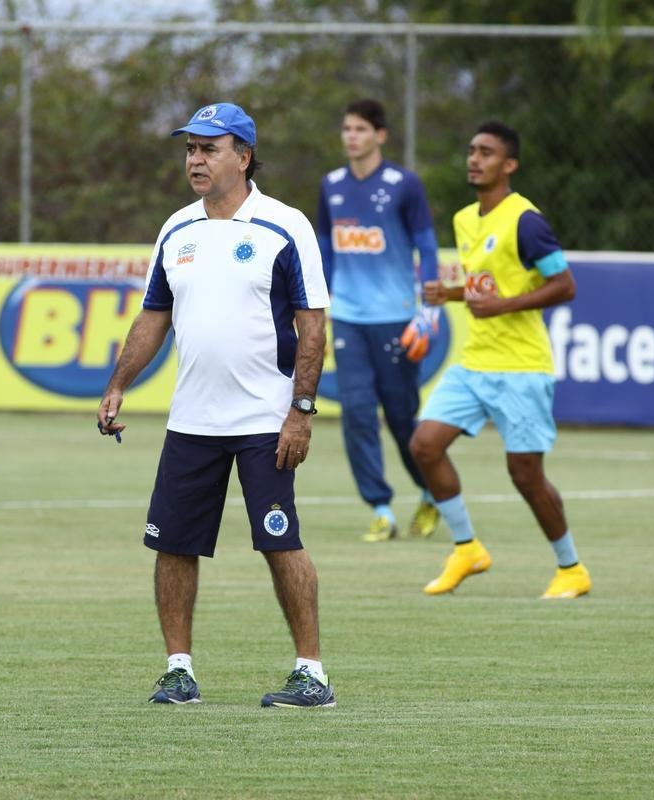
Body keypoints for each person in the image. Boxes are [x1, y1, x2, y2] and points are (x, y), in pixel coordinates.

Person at [97, 102, 336, 707]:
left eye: (209, 149)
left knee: (280, 542)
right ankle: (179, 669)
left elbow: (313, 328)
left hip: (265, 419)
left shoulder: (286, 227)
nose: (195, 160)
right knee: (172, 544)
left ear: (244, 157)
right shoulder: (177, 229)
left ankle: (312, 673)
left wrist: (300, 411)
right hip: (192, 420)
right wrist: (119, 382)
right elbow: (156, 317)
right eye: (190, 150)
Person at [409, 120, 592, 599]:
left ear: (508, 165)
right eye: (471, 150)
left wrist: (503, 306)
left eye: (486, 152)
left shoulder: (525, 221)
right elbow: (485, 285)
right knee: (425, 445)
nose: (474, 158)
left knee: (525, 475)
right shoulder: (467, 219)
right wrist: (450, 292)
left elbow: (564, 285)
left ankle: (571, 567)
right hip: (475, 362)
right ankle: (467, 547)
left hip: (521, 367)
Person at [316, 98, 443, 543]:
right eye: (347, 128)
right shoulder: (330, 185)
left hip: (396, 319)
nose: (352, 136)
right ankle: (381, 508)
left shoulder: (404, 185)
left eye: (361, 129)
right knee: (356, 413)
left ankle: (432, 493)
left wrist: (429, 312)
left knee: (403, 417)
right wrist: (318, 306)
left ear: (380, 136)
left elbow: (427, 248)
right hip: (349, 318)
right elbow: (325, 250)